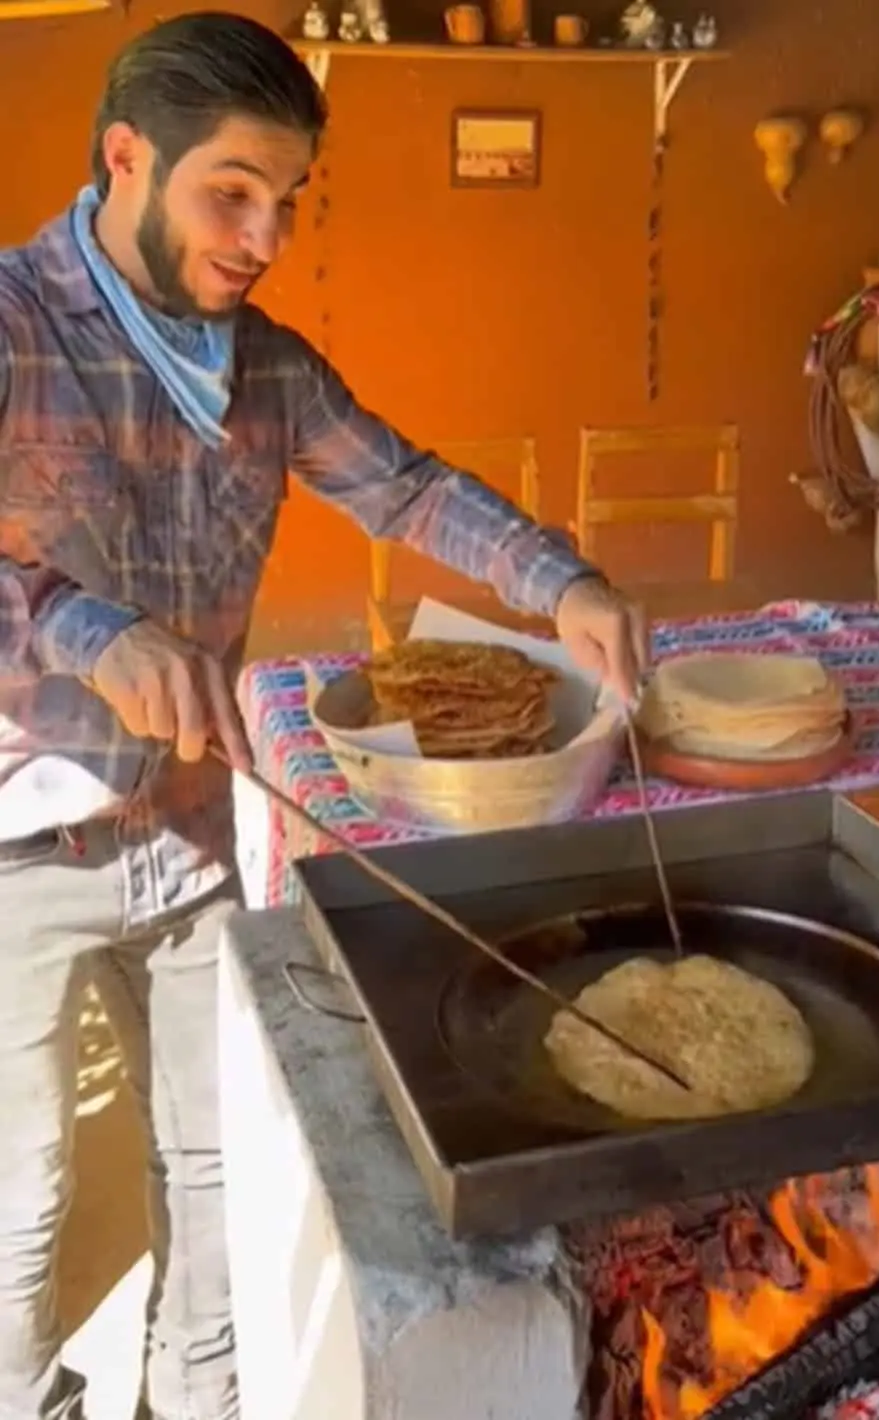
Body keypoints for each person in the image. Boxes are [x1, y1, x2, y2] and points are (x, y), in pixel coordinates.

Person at [0, 14, 647, 1419]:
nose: (264, 236)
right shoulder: (9, 325)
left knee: (219, 1164)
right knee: (19, 1204)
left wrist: (566, 578)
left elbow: (408, 488)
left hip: (191, 825)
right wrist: (71, 624)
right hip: (16, 849)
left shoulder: (267, 367)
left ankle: (200, 1406)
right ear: (126, 157)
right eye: (231, 191)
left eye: (286, 202)